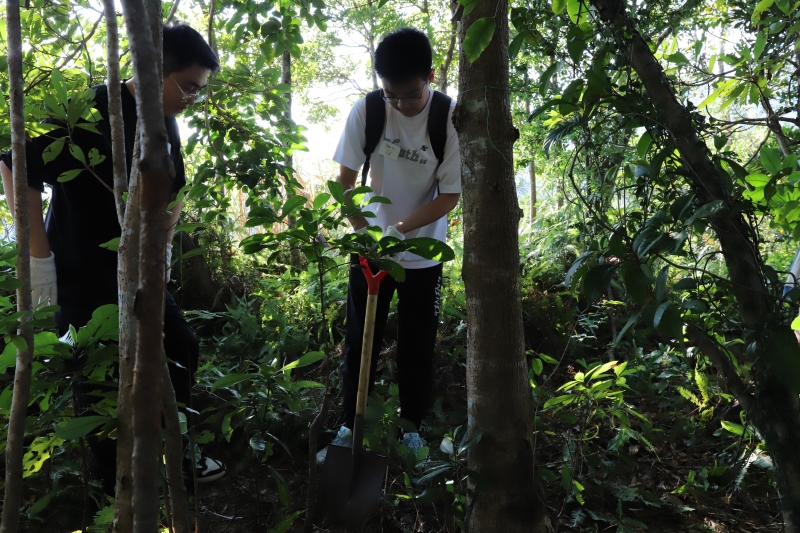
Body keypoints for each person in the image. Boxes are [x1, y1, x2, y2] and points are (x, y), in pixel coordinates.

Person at [0, 22, 225, 494]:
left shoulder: (166, 119)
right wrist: (39, 258)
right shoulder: (91, 112)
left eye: (199, 92)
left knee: (180, 345)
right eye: (187, 86)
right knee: (99, 372)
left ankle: (177, 451)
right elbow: (14, 166)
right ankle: (112, 482)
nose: (191, 99)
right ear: (151, 71)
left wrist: (163, 239)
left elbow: (175, 185)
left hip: (139, 267)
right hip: (82, 270)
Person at [319, 28, 461, 462]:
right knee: (361, 338)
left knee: (417, 345)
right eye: (391, 95)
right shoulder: (369, 110)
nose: (400, 104)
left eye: (410, 95)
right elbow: (343, 183)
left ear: (430, 76)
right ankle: (350, 424)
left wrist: (399, 229)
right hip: (370, 253)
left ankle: (412, 428)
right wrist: (367, 233)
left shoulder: (448, 117)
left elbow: (451, 194)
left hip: (423, 256)